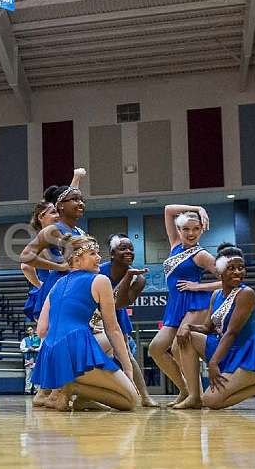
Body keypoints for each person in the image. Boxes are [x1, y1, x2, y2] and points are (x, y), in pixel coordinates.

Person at [32, 235, 140, 412]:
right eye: (93, 253)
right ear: (77, 258)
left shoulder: (57, 284)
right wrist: (128, 370)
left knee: (103, 345)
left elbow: (41, 331)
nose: (99, 258)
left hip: (50, 355)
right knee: (131, 401)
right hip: (76, 350)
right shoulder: (100, 280)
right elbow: (113, 330)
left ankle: (71, 393)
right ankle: (73, 388)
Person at [175, 243, 255, 410]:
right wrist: (187, 326)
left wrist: (213, 363)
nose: (237, 272)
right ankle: (194, 396)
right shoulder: (216, 295)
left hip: (248, 356)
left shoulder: (246, 293)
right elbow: (208, 328)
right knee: (186, 338)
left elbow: (232, 332)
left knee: (211, 401)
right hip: (225, 349)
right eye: (231, 268)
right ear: (220, 271)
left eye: (241, 268)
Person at [147, 205, 218, 408]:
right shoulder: (175, 244)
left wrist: (199, 286)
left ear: (202, 230)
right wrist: (198, 207)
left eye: (196, 229)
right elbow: (169, 210)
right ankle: (186, 390)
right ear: (179, 230)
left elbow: (227, 280)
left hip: (195, 305)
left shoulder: (202, 254)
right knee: (156, 349)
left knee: (181, 345)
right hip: (175, 305)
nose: (191, 233)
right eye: (186, 229)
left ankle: (195, 397)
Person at [96, 234, 157, 407]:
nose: (128, 251)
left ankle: (144, 396)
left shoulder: (139, 279)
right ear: (112, 253)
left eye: (131, 248)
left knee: (127, 356)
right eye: (123, 248)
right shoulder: (99, 271)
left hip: (116, 315)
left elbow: (120, 303)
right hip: (91, 315)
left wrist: (128, 277)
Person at [21, 169, 85, 323]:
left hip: (72, 285)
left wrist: (76, 178)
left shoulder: (71, 229)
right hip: (56, 287)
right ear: (41, 217)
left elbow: (70, 197)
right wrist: (40, 284)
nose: (57, 215)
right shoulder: (50, 232)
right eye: (53, 212)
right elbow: (25, 264)